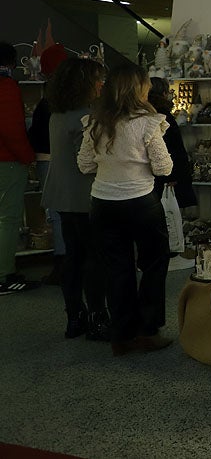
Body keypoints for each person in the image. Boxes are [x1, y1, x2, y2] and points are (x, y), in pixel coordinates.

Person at [78, 64, 174, 356]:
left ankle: (121, 336)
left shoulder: (95, 122)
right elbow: (164, 167)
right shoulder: (146, 123)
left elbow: (84, 165)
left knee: (117, 270)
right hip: (140, 202)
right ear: (140, 89)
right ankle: (147, 331)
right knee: (154, 265)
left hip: (103, 204)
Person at [43, 56, 110, 339]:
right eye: (98, 80)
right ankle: (97, 316)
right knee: (94, 258)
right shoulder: (87, 117)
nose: (101, 85)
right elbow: (88, 162)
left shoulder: (57, 115)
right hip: (85, 195)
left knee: (72, 257)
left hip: (61, 194)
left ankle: (75, 315)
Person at [27, 43, 69, 284]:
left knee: (56, 214)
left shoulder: (48, 101)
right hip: (71, 162)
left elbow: (39, 136)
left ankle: (62, 262)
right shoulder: (74, 97)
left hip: (48, 160)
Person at [0, 42, 35, 294]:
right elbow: (12, 129)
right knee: (7, 220)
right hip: (6, 162)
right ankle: (4, 275)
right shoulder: (6, 87)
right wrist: (27, 157)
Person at [147, 77, 197, 216]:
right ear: (163, 93)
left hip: (151, 176)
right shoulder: (163, 116)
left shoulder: (147, 113)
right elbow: (173, 147)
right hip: (166, 174)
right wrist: (174, 175)